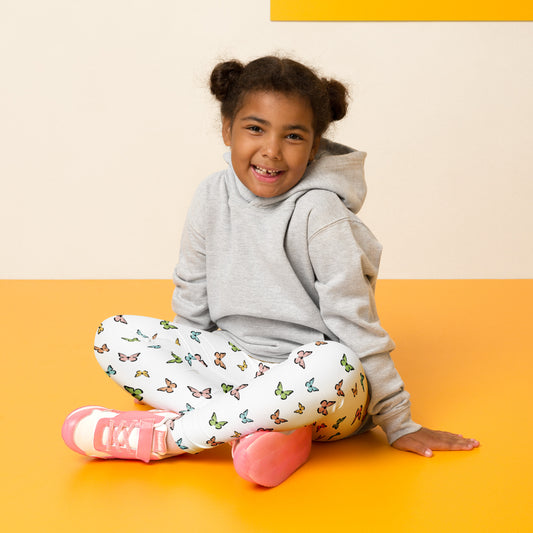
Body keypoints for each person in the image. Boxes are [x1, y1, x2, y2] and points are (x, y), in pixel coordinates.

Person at [62, 56, 479, 487]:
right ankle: (264, 432)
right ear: (227, 129)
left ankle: (168, 437)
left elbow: (356, 323)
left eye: (293, 136)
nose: (271, 151)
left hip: (320, 390)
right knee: (113, 334)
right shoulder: (210, 195)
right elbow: (192, 300)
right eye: (255, 129)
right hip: (233, 365)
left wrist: (398, 421)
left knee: (333, 360)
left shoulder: (320, 212)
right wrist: (184, 356)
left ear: (314, 147)